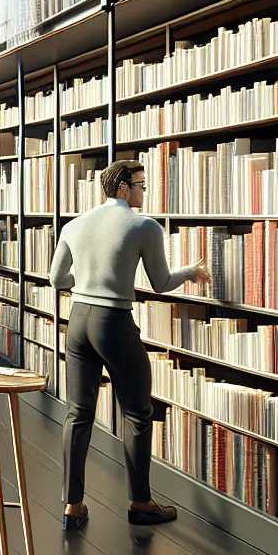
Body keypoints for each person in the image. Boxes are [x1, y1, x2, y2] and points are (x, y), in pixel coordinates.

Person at [50, 158, 210, 532]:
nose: (143, 190)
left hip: (78, 321)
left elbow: (57, 278)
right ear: (123, 187)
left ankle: (72, 506)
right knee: (138, 413)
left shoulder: (74, 225)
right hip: (114, 322)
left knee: (78, 413)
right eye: (140, 184)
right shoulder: (144, 226)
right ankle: (140, 502)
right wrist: (191, 271)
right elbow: (161, 282)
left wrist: (87, 278)